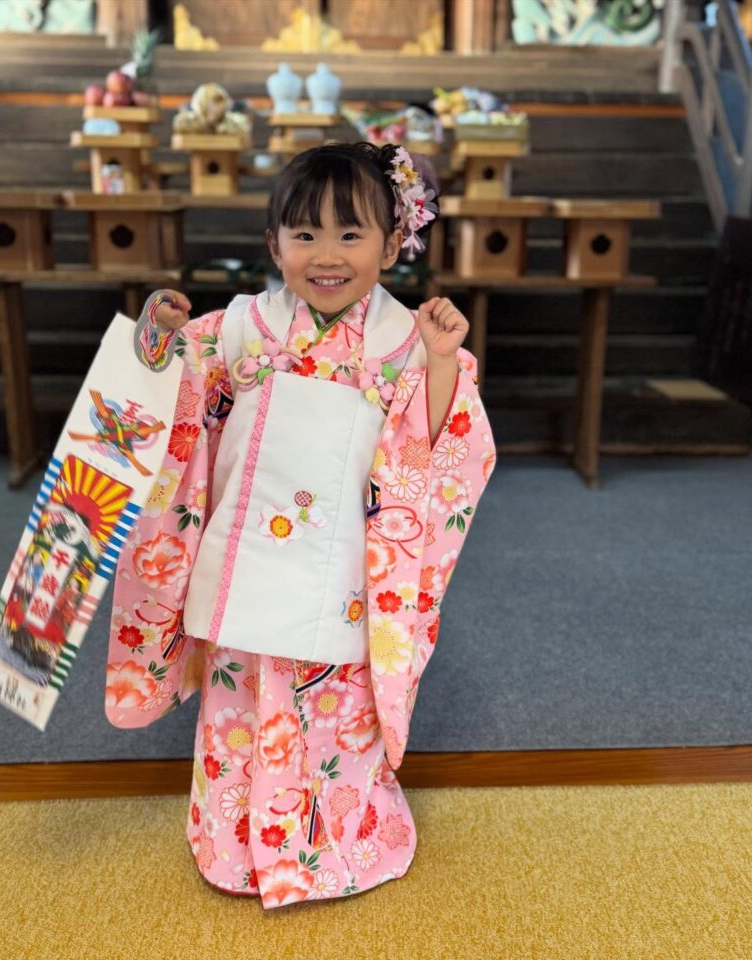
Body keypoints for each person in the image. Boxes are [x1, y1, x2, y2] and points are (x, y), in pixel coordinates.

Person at [105, 141, 497, 908]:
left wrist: (444, 362)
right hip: (247, 560)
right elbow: (177, 396)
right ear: (273, 244)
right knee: (242, 704)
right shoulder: (244, 327)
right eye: (304, 233)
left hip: (344, 570)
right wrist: (156, 335)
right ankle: (234, 848)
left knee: (334, 713)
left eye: (351, 235)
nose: (327, 255)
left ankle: (335, 852)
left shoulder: (402, 343)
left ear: (393, 243)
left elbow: (441, 449)